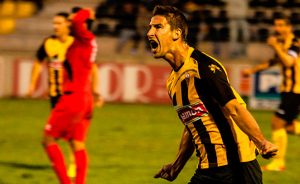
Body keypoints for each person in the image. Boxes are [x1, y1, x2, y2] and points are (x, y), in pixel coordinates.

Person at [147, 5, 278, 183]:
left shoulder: (203, 67)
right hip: (210, 169)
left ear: (176, 33)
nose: (150, 33)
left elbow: (235, 109)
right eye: (150, 27)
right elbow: (192, 125)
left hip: (237, 167)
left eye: (158, 27)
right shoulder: (172, 81)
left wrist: (261, 142)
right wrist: (176, 166)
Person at [42, 8, 100, 184]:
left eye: (63, 22)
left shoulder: (84, 38)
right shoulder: (85, 43)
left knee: (48, 140)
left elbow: (77, 21)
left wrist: (84, 12)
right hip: (83, 97)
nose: (58, 26)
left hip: (73, 97)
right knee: (77, 143)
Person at [242, 15, 300, 171]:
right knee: (287, 127)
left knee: (277, 123)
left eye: (281, 25)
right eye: (276, 25)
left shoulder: (296, 42)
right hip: (288, 90)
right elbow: (274, 62)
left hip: (295, 90)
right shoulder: (282, 44)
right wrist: (252, 70)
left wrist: (275, 47)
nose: (277, 29)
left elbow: (289, 61)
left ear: (289, 27)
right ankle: (278, 163)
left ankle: (278, 163)